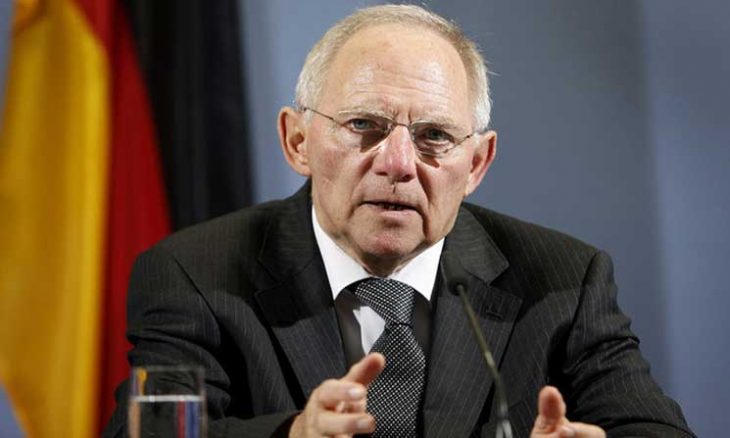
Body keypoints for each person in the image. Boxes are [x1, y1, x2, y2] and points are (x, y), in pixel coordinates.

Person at [105, 5, 694, 437]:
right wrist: (293, 435)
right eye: (364, 125)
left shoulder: (563, 281)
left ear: (477, 164)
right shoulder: (195, 274)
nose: (398, 163)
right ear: (297, 141)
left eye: (434, 135)